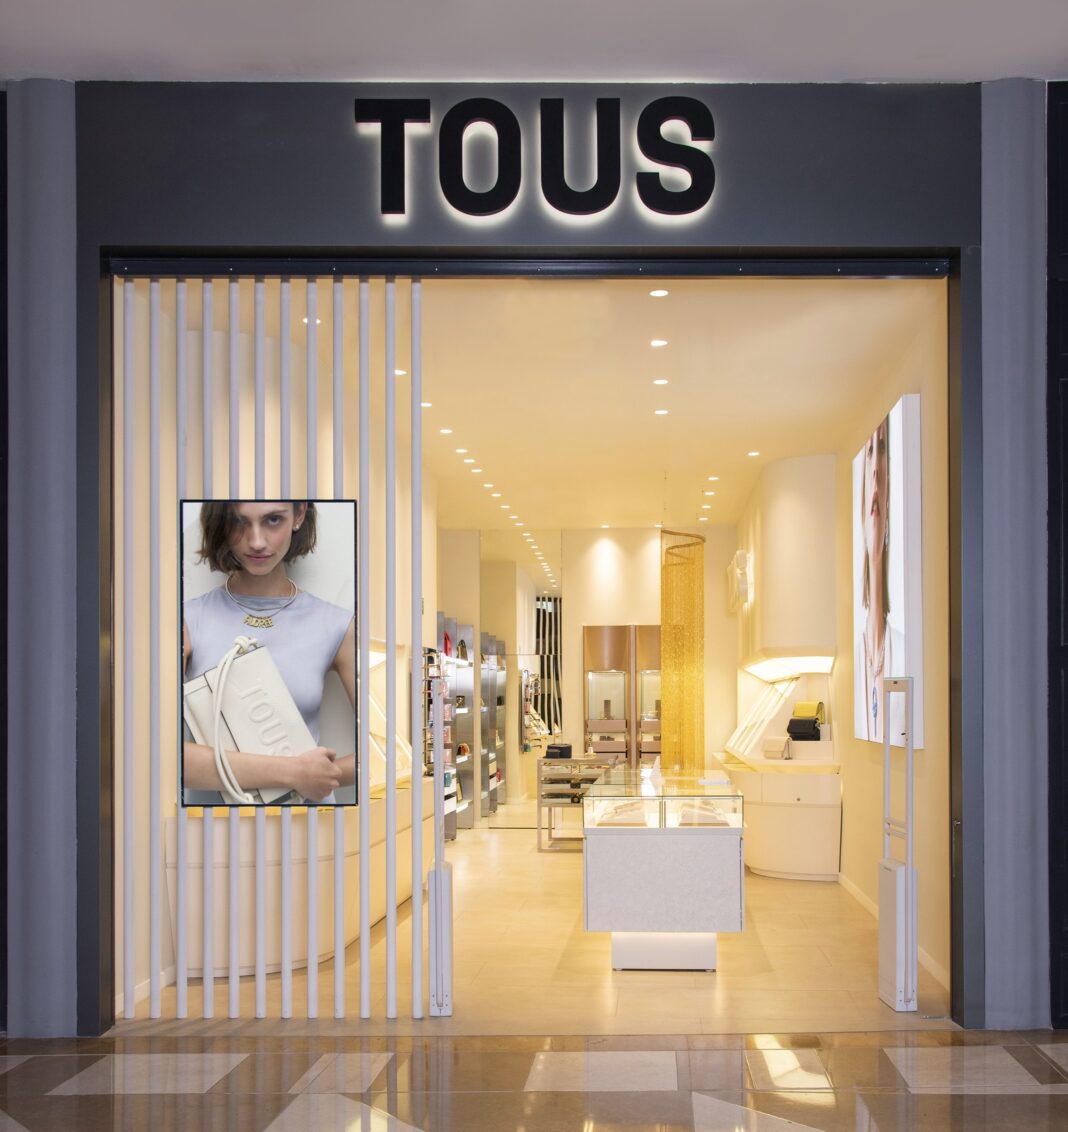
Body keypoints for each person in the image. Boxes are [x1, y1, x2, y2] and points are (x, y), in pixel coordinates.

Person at [182, 500, 356, 804]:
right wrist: (294, 774)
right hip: (210, 827)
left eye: (273, 520)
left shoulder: (337, 625)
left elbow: (387, 752)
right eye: (239, 521)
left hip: (307, 824)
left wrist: (321, 776)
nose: (257, 541)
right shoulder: (185, 621)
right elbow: (160, 755)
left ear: (299, 514)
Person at [855, 416, 904, 744]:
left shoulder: (902, 649)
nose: (875, 471)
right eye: (870, 452)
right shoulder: (858, 655)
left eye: (882, 448)